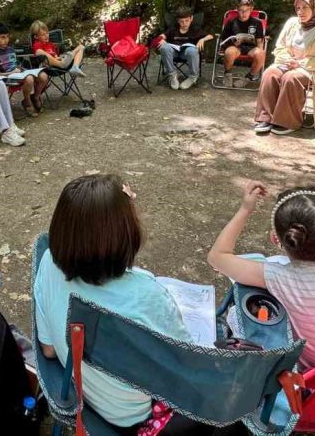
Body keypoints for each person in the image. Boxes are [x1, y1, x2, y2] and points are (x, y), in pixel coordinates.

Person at [35, 174, 243, 435]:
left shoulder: (49, 262)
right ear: (124, 234)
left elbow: (49, 350)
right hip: (133, 419)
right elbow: (184, 372)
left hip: (82, 396)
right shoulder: (147, 295)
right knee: (232, 390)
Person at [207, 183, 315, 368]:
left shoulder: (280, 277)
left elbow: (217, 256)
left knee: (240, 312)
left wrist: (245, 209)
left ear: (277, 238)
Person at [254, 0, 315, 135]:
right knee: (270, 73)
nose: (300, 12)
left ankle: (287, 121)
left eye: (305, 7)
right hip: (289, 62)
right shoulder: (292, 23)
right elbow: (280, 47)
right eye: (298, 8)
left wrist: (301, 63)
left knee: (291, 78)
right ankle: (265, 117)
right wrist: (287, 59)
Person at [0, 22, 48, 116]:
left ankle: (36, 97)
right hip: (7, 76)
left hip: (19, 72)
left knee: (44, 76)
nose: (6, 40)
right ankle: (27, 102)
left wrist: (20, 68)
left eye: (7, 37)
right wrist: (11, 72)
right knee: (29, 79)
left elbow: (16, 63)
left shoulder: (10, 49)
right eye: (3, 37)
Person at [156, 7, 213, 90]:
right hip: (174, 52)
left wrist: (202, 39)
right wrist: (161, 39)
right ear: (178, 21)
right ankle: (172, 75)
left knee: (192, 50)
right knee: (164, 47)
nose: (184, 23)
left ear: (191, 18)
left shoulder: (195, 29)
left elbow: (210, 36)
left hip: (186, 53)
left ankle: (193, 77)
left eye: (187, 20)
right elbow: (162, 36)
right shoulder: (173, 28)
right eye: (181, 21)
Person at [218, 0, 267, 86]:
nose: (243, 13)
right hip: (236, 48)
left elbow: (259, 41)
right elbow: (224, 40)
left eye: (246, 10)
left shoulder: (257, 23)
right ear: (237, 9)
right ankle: (227, 74)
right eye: (241, 10)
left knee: (261, 54)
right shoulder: (231, 22)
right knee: (230, 52)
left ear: (251, 9)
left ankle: (248, 77)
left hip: (251, 48)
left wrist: (260, 52)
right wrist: (233, 42)